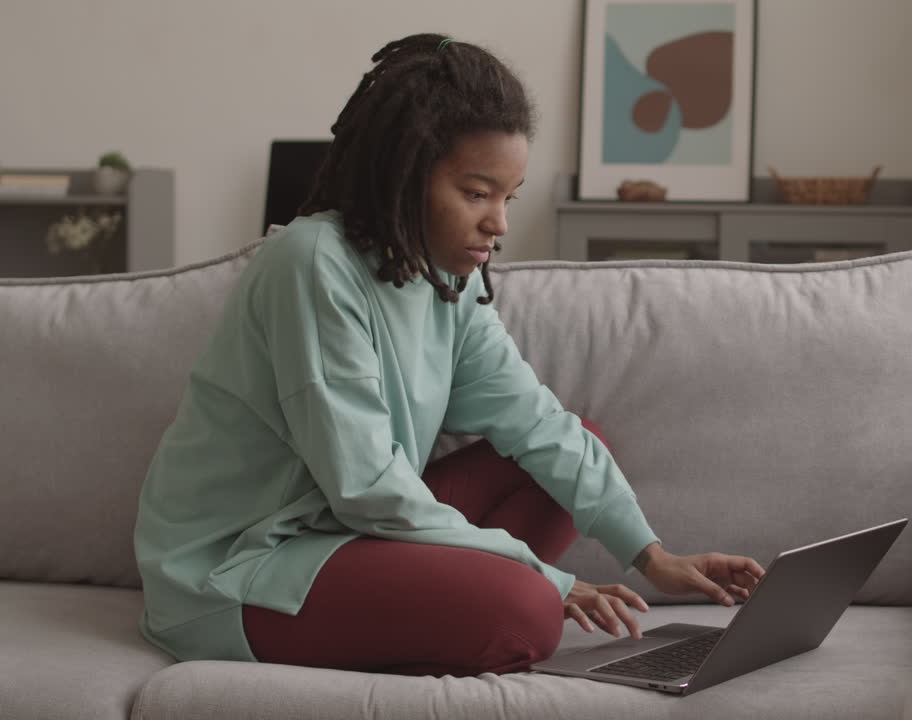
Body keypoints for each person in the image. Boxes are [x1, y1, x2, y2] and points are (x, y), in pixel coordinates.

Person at [134, 33, 765, 677]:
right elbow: (367, 489)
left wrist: (653, 555)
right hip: (242, 566)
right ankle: (473, 607)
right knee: (525, 612)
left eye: (508, 197)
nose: (500, 224)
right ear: (404, 173)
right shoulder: (312, 262)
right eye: (476, 193)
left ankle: (453, 605)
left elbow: (536, 422)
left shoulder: (446, 279)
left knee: (566, 455)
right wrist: (545, 578)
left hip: (345, 535)